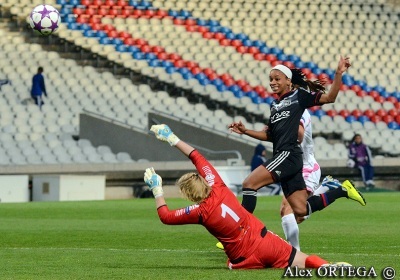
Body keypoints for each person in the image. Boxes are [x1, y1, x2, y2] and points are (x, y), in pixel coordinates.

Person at [144, 124, 349, 269]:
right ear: (204, 181)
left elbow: (166, 217)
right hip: (265, 241)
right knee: (303, 261)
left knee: (232, 263)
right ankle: (330, 268)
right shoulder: (218, 185)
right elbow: (197, 156)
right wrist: (172, 138)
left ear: (189, 195)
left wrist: (157, 189)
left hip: (243, 259)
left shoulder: (200, 212)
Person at [228, 56, 366, 222]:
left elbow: (330, 98)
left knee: (249, 184)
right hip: (288, 159)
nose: (272, 82)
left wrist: (338, 73)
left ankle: (238, 231)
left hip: (288, 154)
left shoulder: (299, 96)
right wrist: (246, 131)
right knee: (301, 211)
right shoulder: (274, 105)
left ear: (288, 81)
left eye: (277, 79)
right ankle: (341, 191)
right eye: (270, 79)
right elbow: (270, 136)